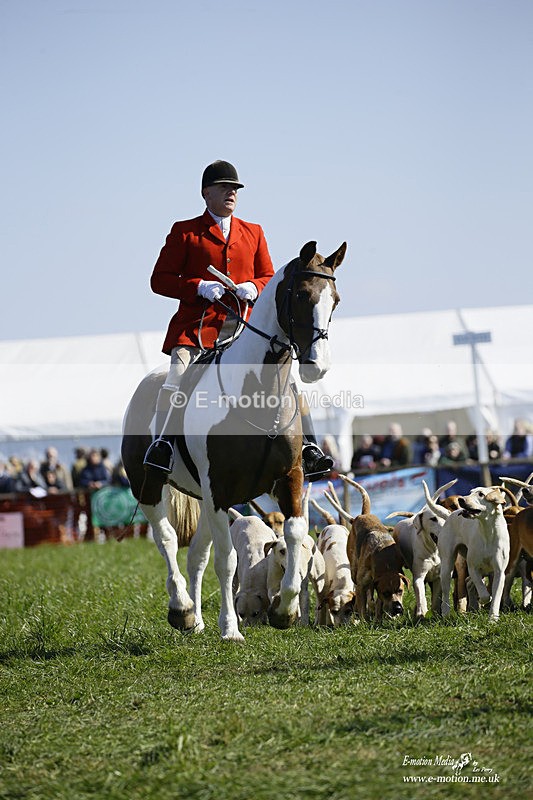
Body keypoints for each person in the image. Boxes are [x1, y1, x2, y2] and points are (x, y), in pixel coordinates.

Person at [143, 159, 334, 478]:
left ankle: (308, 447)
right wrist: (198, 286)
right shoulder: (185, 232)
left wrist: (253, 286)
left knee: (286, 378)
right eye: (224, 188)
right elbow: (159, 280)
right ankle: (164, 445)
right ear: (206, 193)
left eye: (234, 189)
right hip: (198, 329)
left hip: (246, 327)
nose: (231, 193)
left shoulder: (254, 232)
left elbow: (269, 278)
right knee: (177, 375)